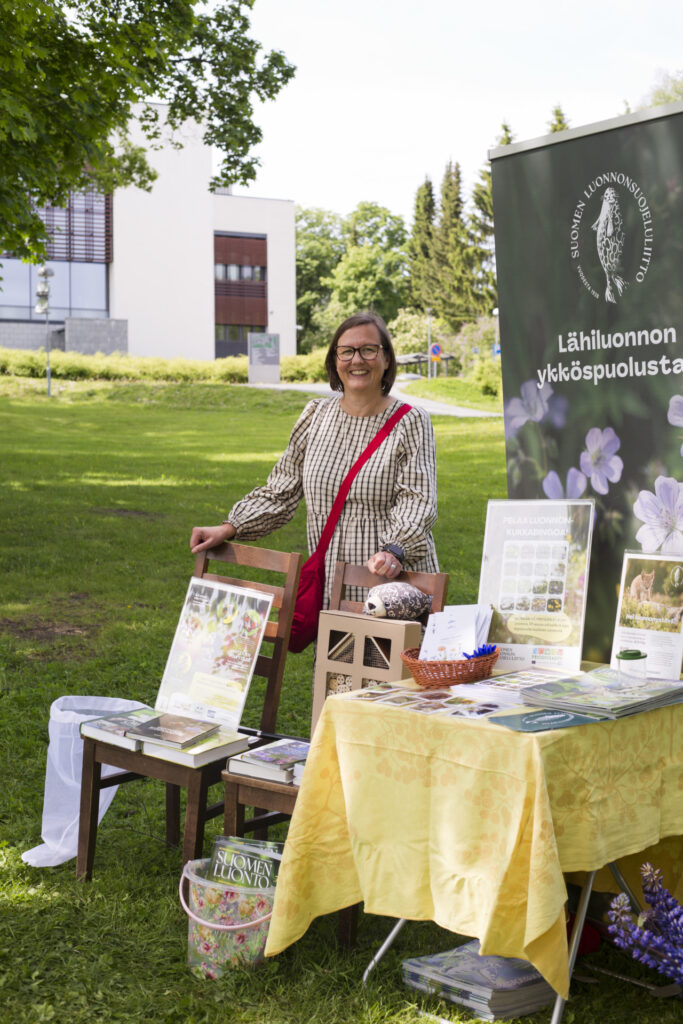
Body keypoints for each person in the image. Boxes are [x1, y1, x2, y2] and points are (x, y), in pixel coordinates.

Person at [190, 311, 438, 608]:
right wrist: (229, 527)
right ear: (335, 360)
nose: (357, 360)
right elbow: (280, 491)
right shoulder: (315, 415)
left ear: (386, 360)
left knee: (390, 656)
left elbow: (417, 499)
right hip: (331, 582)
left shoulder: (410, 421)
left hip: (391, 584)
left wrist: (394, 551)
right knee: (334, 655)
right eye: (346, 351)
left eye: (369, 349)